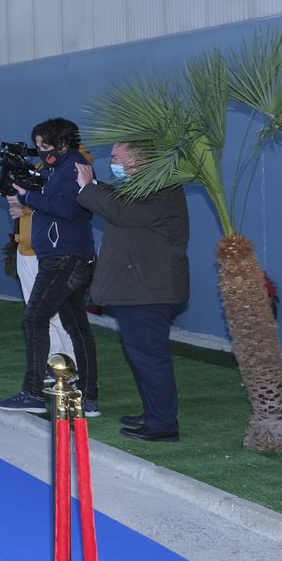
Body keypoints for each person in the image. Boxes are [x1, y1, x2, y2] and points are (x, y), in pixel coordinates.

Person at [77, 144, 190, 441]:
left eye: (116, 158)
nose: (112, 162)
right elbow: (117, 203)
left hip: (149, 291)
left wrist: (88, 188)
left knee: (151, 359)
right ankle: (154, 414)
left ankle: (164, 425)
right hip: (140, 291)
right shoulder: (142, 188)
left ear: (139, 159)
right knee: (143, 358)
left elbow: (121, 212)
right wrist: (94, 187)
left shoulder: (161, 187)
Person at [0, 117, 100, 417]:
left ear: (62, 143)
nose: (40, 151)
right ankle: (89, 398)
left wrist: (27, 196)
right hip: (61, 256)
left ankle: (32, 392)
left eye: (45, 145)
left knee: (34, 318)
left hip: (65, 258)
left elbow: (68, 208)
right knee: (77, 326)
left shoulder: (74, 166)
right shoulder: (59, 168)